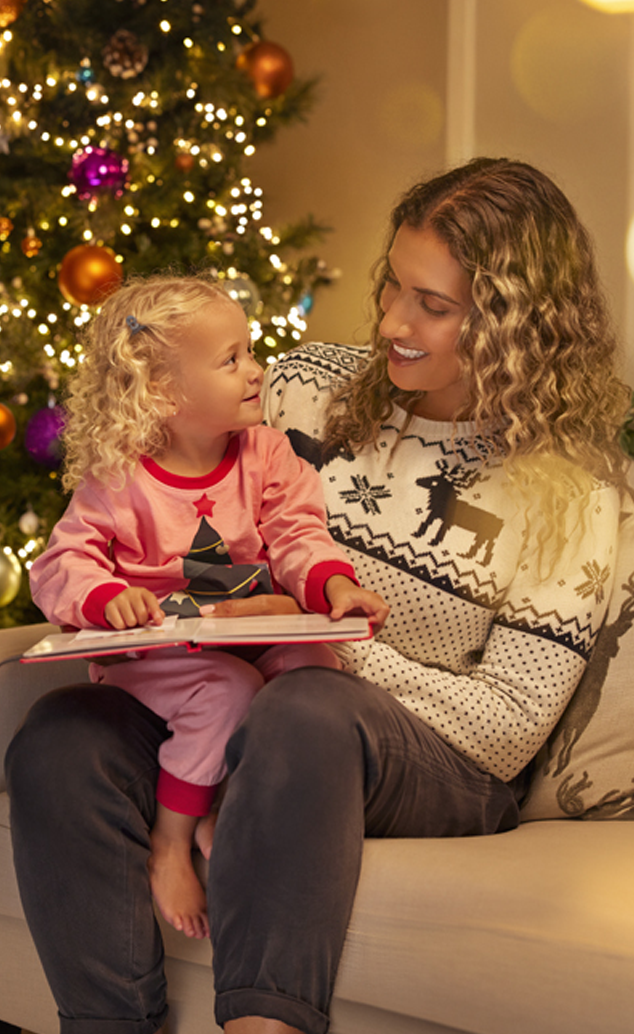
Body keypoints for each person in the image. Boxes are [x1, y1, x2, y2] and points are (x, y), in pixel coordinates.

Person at [6, 157, 629, 1034]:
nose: (390, 324)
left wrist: (317, 638)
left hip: (423, 750)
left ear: (514, 326)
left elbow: (507, 731)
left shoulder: (570, 491)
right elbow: (154, 470)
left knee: (305, 712)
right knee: (62, 737)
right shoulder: (301, 392)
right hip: (241, 684)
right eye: (390, 286)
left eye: (432, 305)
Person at [28, 275, 389, 940]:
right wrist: (108, 596)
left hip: (252, 632)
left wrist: (334, 586)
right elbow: (58, 566)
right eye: (231, 359)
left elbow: (299, 535)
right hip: (161, 654)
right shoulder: (119, 479)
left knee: (315, 666)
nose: (256, 371)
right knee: (226, 690)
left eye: (250, 351)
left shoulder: (268, 454)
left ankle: (241, 805)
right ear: (164, 392)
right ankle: (173, 839)